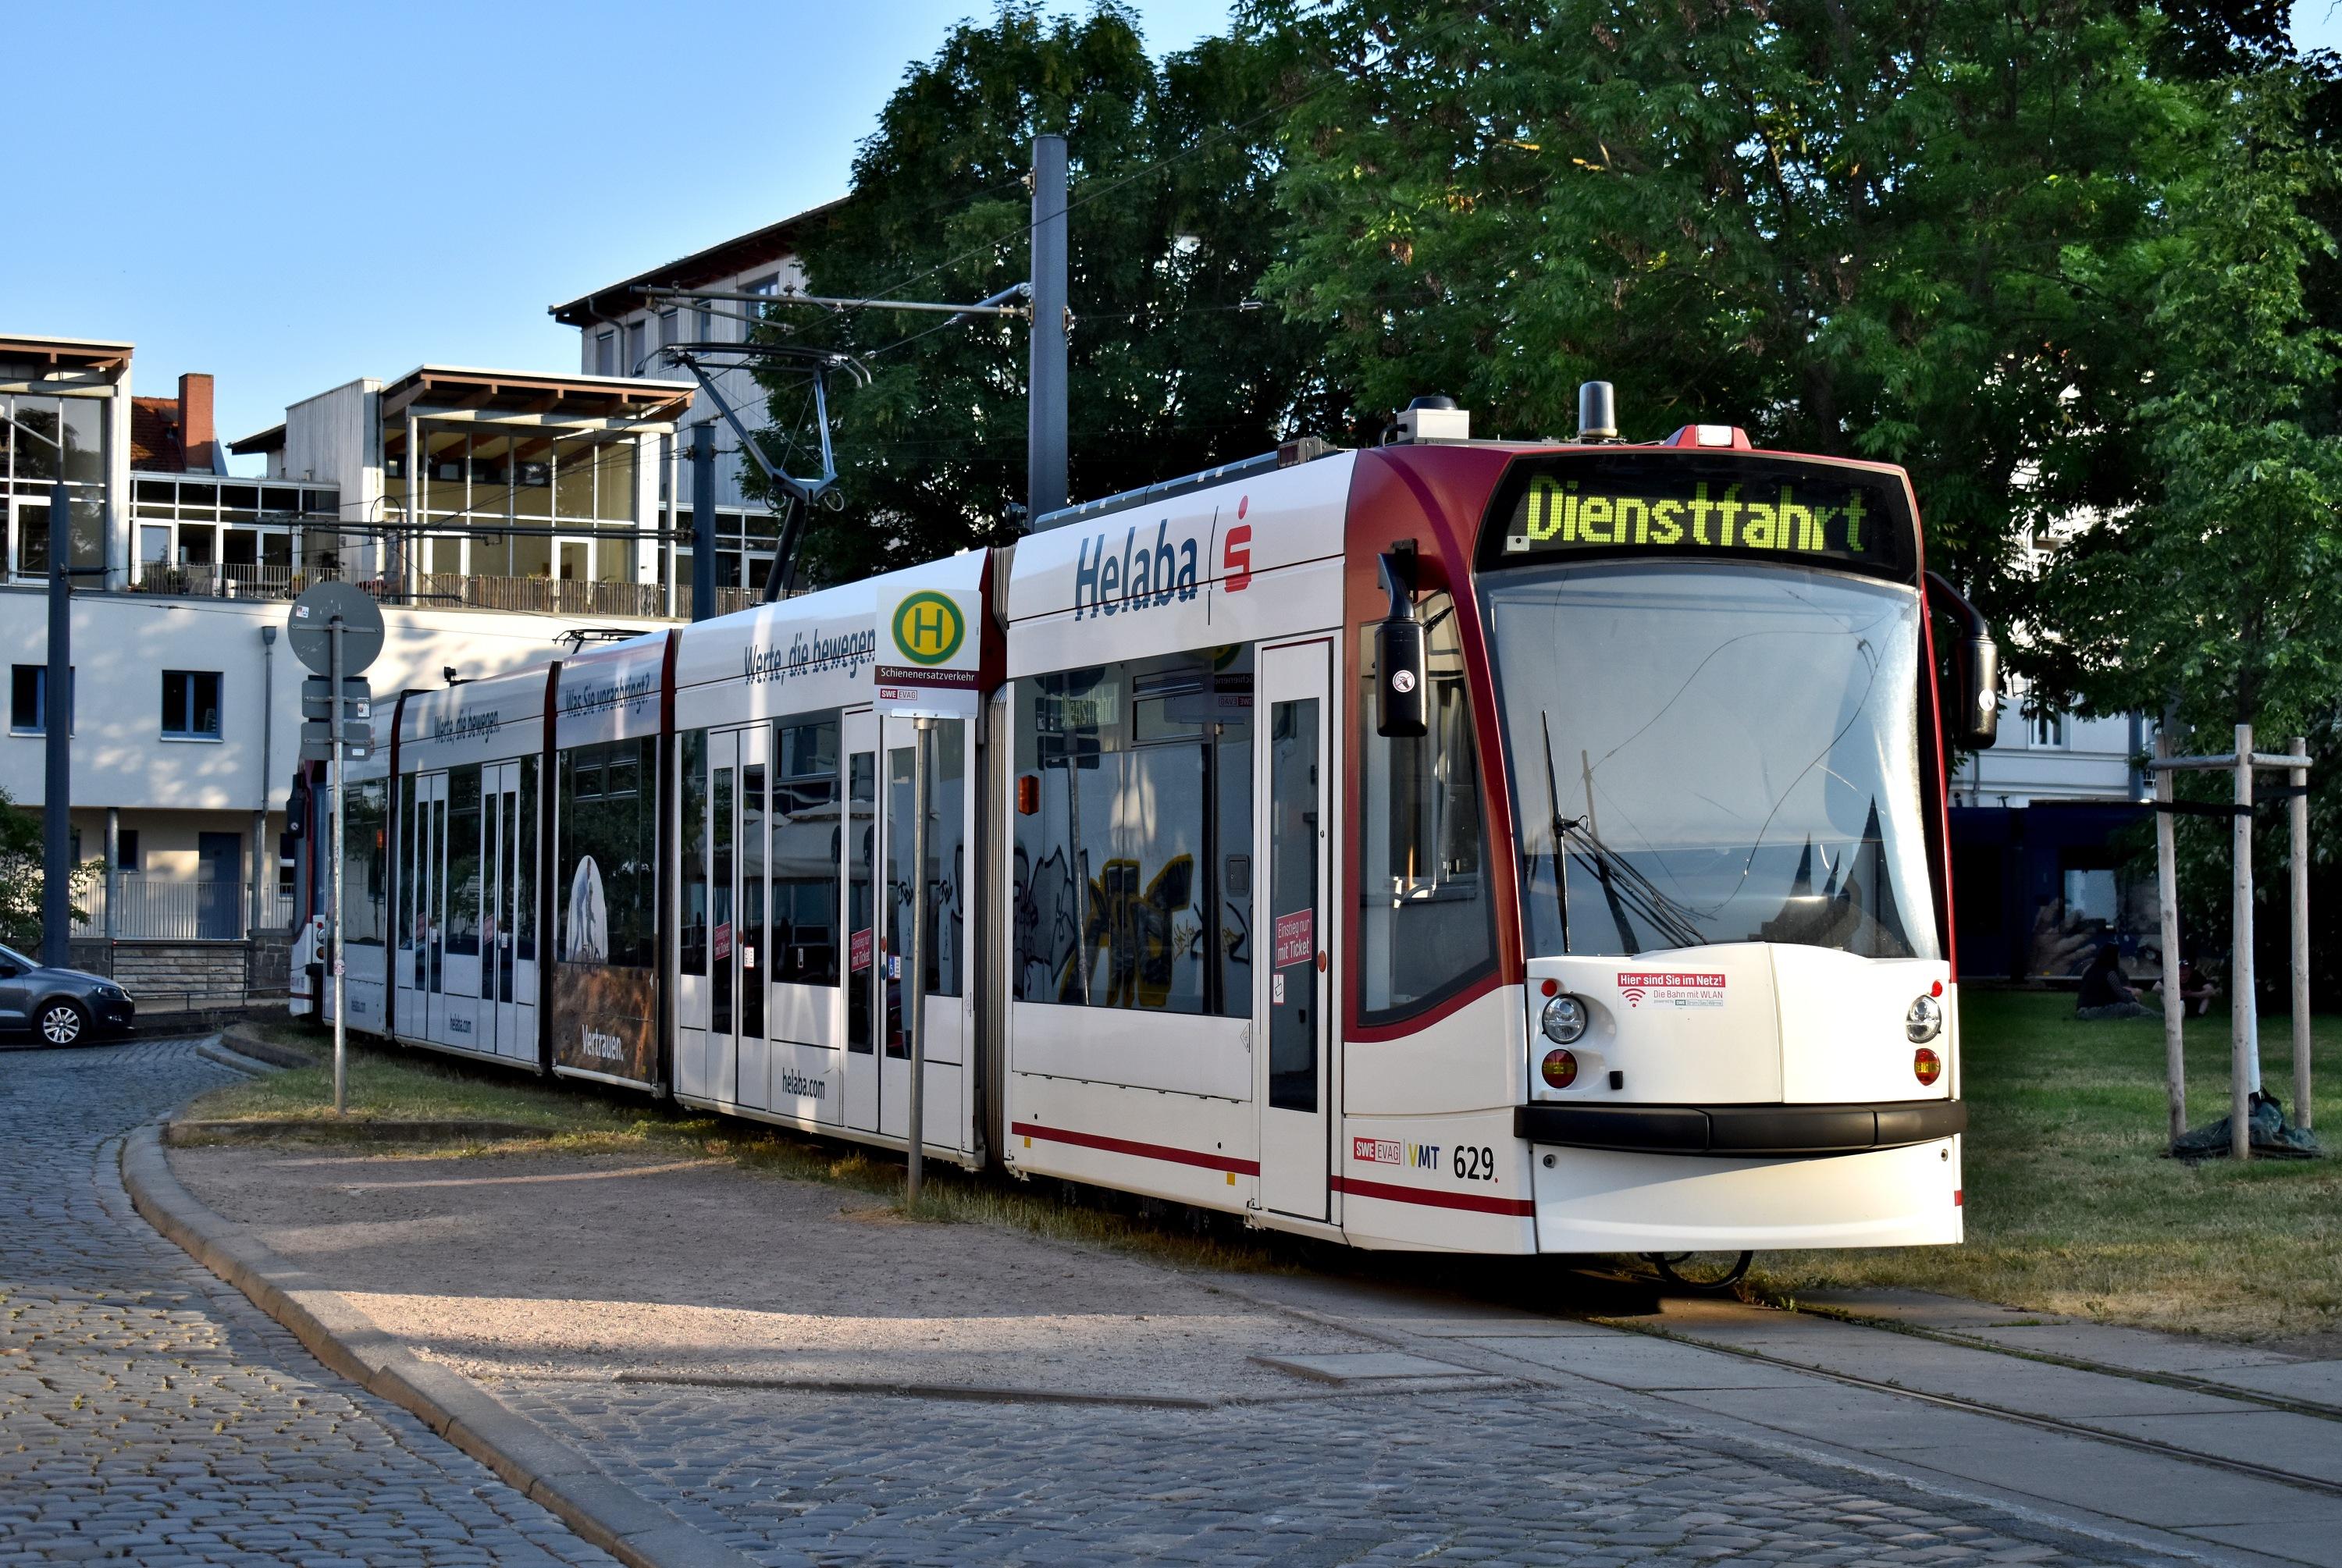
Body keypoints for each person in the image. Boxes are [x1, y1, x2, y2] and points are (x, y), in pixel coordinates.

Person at [2075, 944, 2150, 1021]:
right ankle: (2158, 1016)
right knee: (2132, 1007)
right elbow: (2121, 995)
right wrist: (2134, 996)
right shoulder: (2110, 973)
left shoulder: (2092, 970)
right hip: (2094, 1011)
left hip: (2083, 1011)